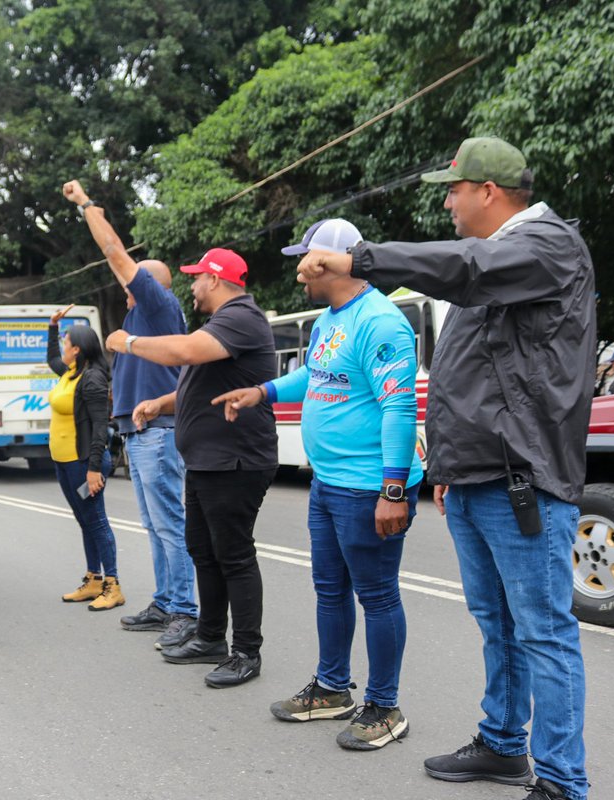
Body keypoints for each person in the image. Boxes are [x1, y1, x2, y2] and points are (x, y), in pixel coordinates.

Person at [297, 137, 594, 800]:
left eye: (453, 189)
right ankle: (502, 744)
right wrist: (449, 468)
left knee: (543, 633)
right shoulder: (499, 266)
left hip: (521, 482)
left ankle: (563, 782)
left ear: (489, 191)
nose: (447, 201)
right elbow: (482, 372)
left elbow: (468, 268)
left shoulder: (545, 245)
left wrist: (361, 258)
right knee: (501, 627)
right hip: (480, 477)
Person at [212, 219, 423, 749]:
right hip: (328, 481)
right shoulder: (333, 319)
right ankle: (332, 688)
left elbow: (399, 406)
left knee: (376, 596)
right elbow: (315, 373)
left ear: (329, 262)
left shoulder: (381, 322)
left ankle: (384, 705)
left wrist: (393, 489)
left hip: (370, 484)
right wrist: (262, 391)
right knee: (330, 590)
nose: (300, 271)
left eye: (306, 259)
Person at [107, 247, 278, 689]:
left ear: (216, 279)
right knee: (203, 550)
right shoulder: (221, 324)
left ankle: (246, 651)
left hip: (235, 458)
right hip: (207, 458)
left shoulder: (241, 316)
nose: (193, 286)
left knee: (235, 556)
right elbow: (198, 387)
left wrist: (128, 342)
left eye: (197, 277)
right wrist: (160, 402)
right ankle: (209, 637)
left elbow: (181, 352)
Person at [61, 180, 196, 648]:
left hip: (157, 432)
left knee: (169, 523)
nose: (126, 281)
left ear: (149, 285)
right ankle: (165, 602)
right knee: (154, 524)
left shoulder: (158, 305)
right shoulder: (139, 319)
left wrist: (85, 205)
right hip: (140, 435)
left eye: (135, 277)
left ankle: (184, 609)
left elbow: (116, 252)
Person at [47, 304, 123, 612]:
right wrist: (53, 327)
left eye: (65, 343)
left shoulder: (91, 379)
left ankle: (113, 585)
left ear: (77, 349)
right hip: (64, 463)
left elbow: (99, 428)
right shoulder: (69, 373)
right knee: (84, 520)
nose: (62, 349)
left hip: (84, 464)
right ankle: (93, 580)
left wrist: (94, 470)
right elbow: (51, 358)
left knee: (96, 520)